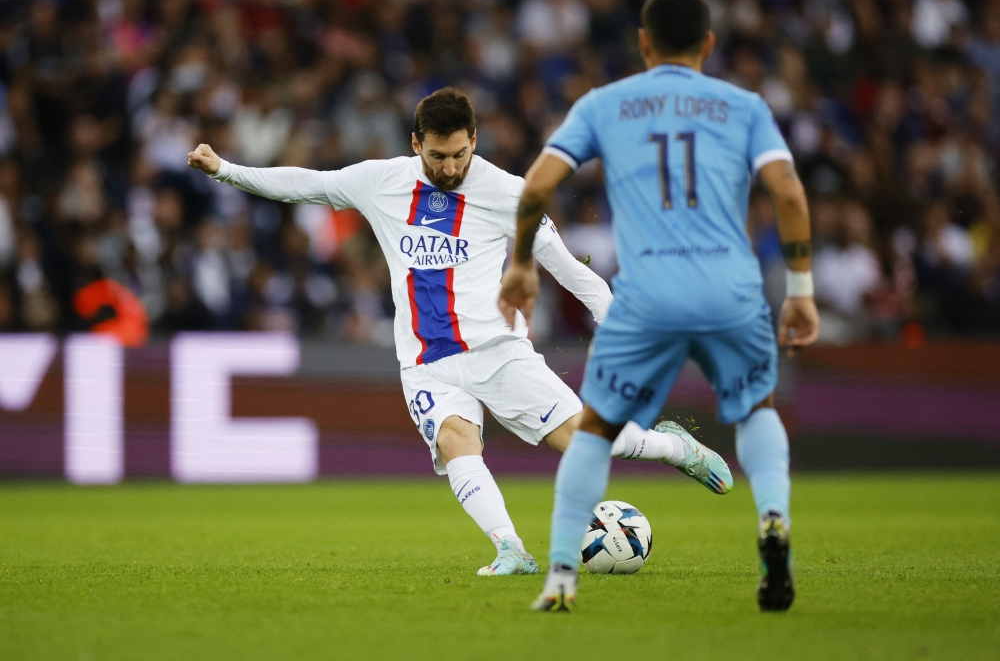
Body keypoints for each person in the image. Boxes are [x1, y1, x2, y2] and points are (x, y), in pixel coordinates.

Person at [188, 88, 733, 577]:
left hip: (498, 350)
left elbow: (569, 268)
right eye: (437, 156)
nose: (449, 168)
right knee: (455, 441)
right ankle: (511, 549)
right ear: (416, 144)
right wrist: (225, 170)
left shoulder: (510, 193)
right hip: (426, 361)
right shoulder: (382, 182)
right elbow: (307, 184)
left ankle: (672, 446)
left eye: (459, 154)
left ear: (474, 140)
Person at [499, 0, 819, 612]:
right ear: (709, 44)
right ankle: (773, 519)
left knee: (594, 431)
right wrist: (801, 292)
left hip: (647, 295)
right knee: (756, 411)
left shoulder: (604, 104)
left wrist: (520, 267)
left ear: (643, 43)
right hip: (731, 289)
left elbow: (536, 185)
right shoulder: (746, 107)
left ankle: (561, 575)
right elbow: (788, 194)